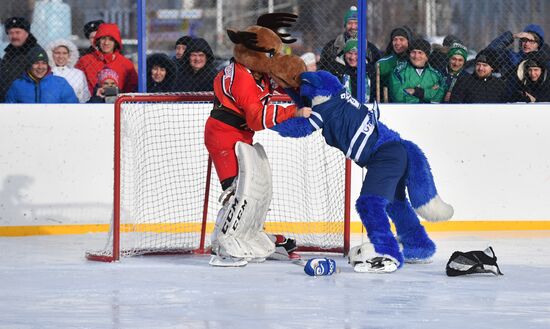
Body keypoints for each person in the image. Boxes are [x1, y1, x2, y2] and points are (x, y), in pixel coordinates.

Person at [204, 13, 311, 266]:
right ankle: (224, 244)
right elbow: (256, 118)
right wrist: (292, 112)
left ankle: (249, 235)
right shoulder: (241, 76)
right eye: (271, 55)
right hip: (223, 135)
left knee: (253, 190)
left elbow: (269, 93)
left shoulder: (256, 72)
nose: (274, 60)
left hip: (240, 135)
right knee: (235, 192)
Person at [76, 23, 138, 94]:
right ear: (98, 41)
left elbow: (133, 88)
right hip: (91, 103)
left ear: (116, 42)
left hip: (118, 102)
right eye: (103, 39)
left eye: (111, 39)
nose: (106, 43)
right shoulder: (85, 61)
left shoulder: (126, 64)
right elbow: (77, 86)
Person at [319, 6, 380, 74]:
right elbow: (322, 68)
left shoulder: (371, 49)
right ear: (345, 25)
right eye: (349, 23)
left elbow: (378, 70)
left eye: (356, 23)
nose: (353, 27)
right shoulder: (331, 46)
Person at [5, 46, 78, 103]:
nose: (40, 67)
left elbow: (73, 108)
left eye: (44, 63)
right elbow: (9, 110)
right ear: (29, 65)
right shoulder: (17, 85)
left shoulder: (61, 83)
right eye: (36, 63)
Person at [0, 17, 44, 102]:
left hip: (26, 102)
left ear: (27, 33)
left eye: (18, 32)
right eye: (10, 33)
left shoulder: (36, 52)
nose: (14, 36)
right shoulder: (9, 53)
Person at [389, 38, 446, 103]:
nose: (416, 56)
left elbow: (438, 97)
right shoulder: (399, 72)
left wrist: (416, 92)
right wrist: (428, 95)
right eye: (413, 52)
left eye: (420, 53)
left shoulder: (435, 75)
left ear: (426, 57)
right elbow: (398, 96)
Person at [376, 25, 414, 102]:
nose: (397, 43)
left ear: (408, 41)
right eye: (395, 39)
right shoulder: (383, 63)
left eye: (401, 39)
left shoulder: (415, 59)